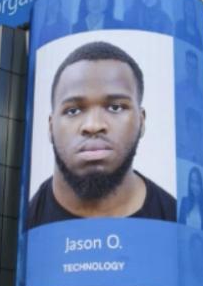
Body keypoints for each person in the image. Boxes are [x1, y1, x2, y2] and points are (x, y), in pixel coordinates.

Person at [26, 41, 176, 228]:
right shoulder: (23, 224)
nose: (93, 125)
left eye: (115, 107)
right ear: (50, 126)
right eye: (73, 110)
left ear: (142, 121)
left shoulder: (175, 218)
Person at [178, 166, 203, 232]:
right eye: (192, 181)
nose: (194, 186)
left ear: (201, 185)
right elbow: (179, 227)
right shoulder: (184, 201)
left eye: (197, 182)